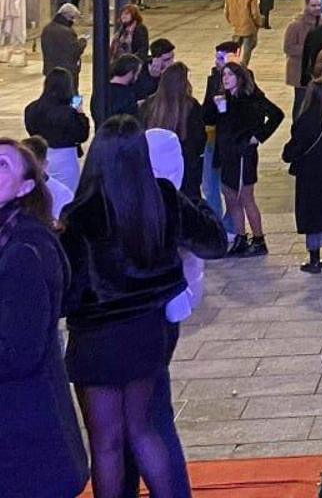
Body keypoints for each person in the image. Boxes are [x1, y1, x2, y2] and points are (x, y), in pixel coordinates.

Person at [60, 116, 228, 498]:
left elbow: (68, 292)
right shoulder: (163, 198)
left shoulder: (80, 214)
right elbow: (215, 241)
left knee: (106, 443)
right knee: (143, 429)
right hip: (148, 333)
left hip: (96, 341)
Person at [0, 138, 89, 498]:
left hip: (25, 441)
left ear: (25, 187)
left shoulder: (24, 249)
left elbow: (19, 354)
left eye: (2, 164)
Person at [204, 62, 284, 256]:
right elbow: (208, 119)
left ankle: (258, 239)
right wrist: (214, 106)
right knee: (230, 196)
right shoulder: (224, 99)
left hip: (242, 154)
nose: (225, 78)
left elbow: (276, 114)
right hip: (226, 154)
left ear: (239, 78)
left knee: (245, 197)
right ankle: (240, 236)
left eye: (230, 75)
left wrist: (258, 136)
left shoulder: (251, 98)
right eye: (224, 75)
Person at [280, 79, 322, 274]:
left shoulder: (305, 120)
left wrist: (287, 153)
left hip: (310, 176)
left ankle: (314, 259)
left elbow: (294, 149)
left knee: (312, 216)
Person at [139, 64, 207, 201]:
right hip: (186, 168)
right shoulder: (191, 106)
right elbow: (199, 139)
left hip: (154, 166)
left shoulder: (148, 105)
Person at [24, 66, 90, 194]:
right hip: (66, 157)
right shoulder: (69, 113)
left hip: (41, 155)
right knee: (67, 194)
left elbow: (31, 131)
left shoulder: (31, 108)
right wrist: (80, 114)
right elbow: (82, 135)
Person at [282, 0, 322, 119]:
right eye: (313, 5)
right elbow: (288, 48)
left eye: (319, 5)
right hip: (300, 71)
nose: (317, 8)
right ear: (306, 6)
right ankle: (297, 127)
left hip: (319, 72)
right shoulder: (295, 26)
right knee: (301, 103)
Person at [223, 0, 264, 64]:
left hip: (237, 27)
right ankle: (243, 68)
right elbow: (255, 14)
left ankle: (231, 64)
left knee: (234, 50)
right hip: (248, 27)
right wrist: (259, 22)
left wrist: (232, 21)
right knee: (247, 51)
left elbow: (226, 11)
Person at [40, 3, 84, 86]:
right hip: (67, 73)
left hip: (50, 71)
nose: (74, 21)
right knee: (70, 92)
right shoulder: (67, 32)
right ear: (68, 17)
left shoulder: (47, 28)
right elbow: (74, 51)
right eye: (73, 18)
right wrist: (82, 41)